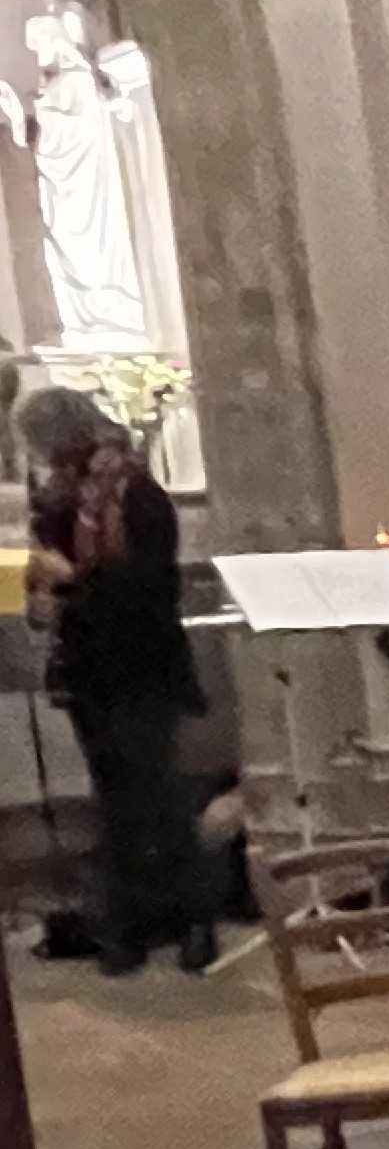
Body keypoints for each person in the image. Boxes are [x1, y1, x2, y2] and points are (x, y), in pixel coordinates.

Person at [18, 387, 211, 975]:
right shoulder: (56, 502)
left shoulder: (142, 497)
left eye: (44, 443)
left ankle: (193, 921)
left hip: (143, 664)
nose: (42, 456)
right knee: (114, 799)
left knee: (159, 796)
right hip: (87, 669)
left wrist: (70, 593)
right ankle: (130, 925)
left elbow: (144, 589)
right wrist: (40, 590)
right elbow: (44, 570)